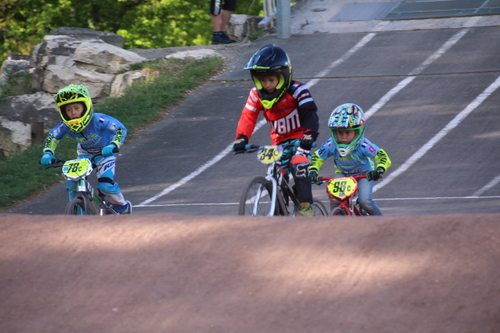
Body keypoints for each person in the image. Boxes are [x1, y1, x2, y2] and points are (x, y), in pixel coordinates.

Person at [232, 44, 320, 216]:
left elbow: (310, 113)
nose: (267, 85)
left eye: (272, 80)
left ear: (284, 76)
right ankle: (280, 214)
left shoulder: (297, 91)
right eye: (263, 81)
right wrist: (242, 138)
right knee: (276, 175)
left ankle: (305, 208)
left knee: (299, 164)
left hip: (300, 138)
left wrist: (309, 135)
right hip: (278, 143)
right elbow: (248, 116)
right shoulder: (256, 94)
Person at [39, 84, 131, 214]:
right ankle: (77, 213)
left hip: (105, 153)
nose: (73, 113)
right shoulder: (66, 126)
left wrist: (113, 144)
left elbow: (120, 128)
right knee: (71, 184)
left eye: (77, 108)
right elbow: (53, 136)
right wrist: (48, 153)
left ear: (86, 106)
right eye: (69, 110)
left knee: (105, 186)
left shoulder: (98, 120)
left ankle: (122, 207)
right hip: (85, 154)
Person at [309, 103, 391, 215]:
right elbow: (317, 157)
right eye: (339, 133)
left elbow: (382, 156)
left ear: (357, 131)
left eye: (348, 132)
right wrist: (313, 171)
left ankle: (384, 223)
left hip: (364, 174)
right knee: (334, 201)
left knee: (365, 202)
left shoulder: (364, 145)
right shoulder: (331, 144)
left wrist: (379, 169)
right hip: (342, 174)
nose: (343, 137)